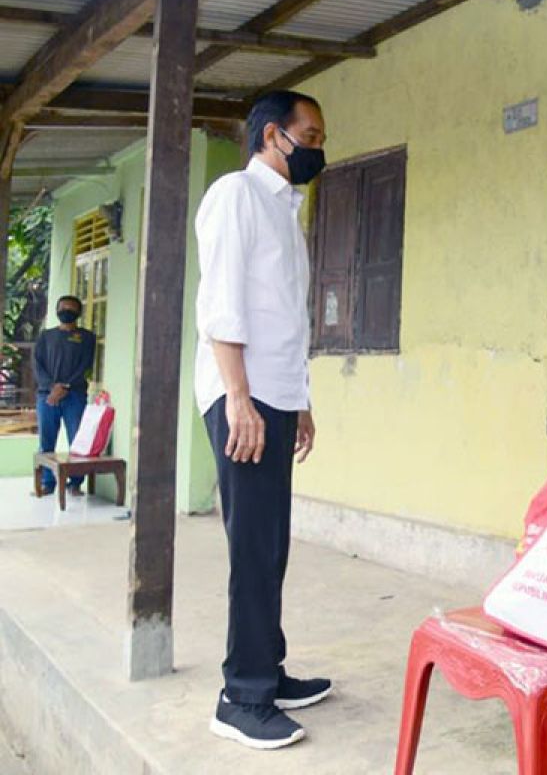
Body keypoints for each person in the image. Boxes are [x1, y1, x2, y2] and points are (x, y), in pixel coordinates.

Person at [195, 90, 330, 750]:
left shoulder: (285, 214)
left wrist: (297, 400)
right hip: (240, 399)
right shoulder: (235, 197)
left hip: (272, 398)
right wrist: (240, 398)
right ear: (273, 135)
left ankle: (267, 672)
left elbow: (285, 320)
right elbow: (222, 304)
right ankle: (241, 696)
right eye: (310, 134)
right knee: (252, 545)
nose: (317, 148)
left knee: (269, 543)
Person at [33, 295, 95, 497]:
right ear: (57, 312)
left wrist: (65, 386)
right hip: (47, 396)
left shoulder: (86, 337)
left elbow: (86, 366)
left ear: (78, 312)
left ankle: (76, 483)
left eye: (71, 308)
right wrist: (53, 387)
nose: (66, 311)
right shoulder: (46, 336)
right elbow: (37, 364)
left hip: (74, 395)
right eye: (63, 308)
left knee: (77, 440)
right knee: (46, 441)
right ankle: (47, 483)